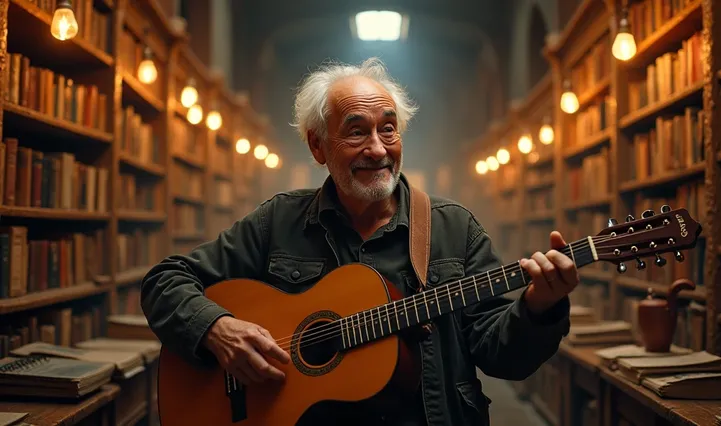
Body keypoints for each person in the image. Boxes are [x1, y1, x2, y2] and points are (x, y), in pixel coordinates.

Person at [140, 57, 578, 426]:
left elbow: (504, 358)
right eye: (356, 131)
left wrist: (539, 307)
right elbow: (165, 280)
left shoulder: (453, 228)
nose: (377, 148)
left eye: (388, 129)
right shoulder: (279, 221)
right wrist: (216, 329)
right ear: (317, 146)